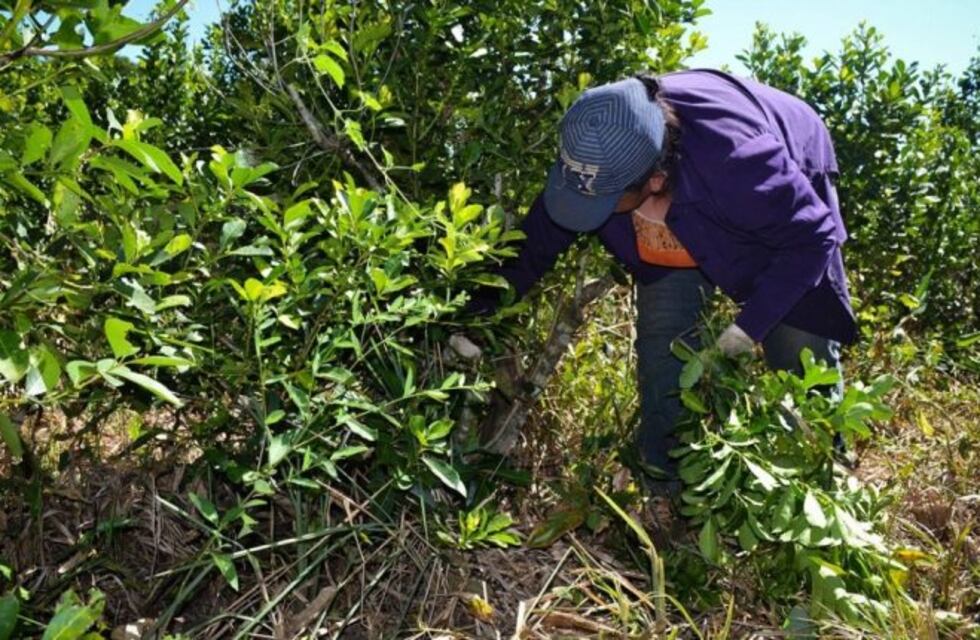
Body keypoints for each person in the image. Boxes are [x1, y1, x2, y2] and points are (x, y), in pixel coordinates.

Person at [467, 69, 855, 499]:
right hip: (683, 193)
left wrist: (744, 332)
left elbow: (813, 238)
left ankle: (823, 483)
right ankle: (664, 487)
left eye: (601, 202)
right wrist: (473, 319)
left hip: (782, 164)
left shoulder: (741, 162)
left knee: (798, 340)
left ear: (653, 182)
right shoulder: (594, 146)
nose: (584, 208)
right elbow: (534, 247)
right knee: (665, 340)